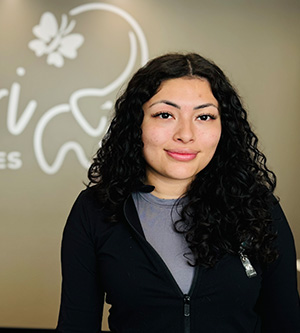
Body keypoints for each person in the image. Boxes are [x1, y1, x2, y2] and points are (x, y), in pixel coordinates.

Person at [57, 53, 300, 332]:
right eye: (165, 114)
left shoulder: (258, 206)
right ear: (137, 124)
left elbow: (286, 322)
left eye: (204, 116)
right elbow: (76, 324)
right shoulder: (95, 209)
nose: (186, 134)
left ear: (224, 127)